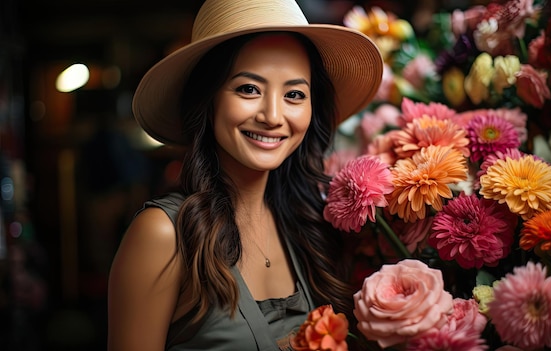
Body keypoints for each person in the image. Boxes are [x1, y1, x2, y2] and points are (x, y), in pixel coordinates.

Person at [107, 0, 383, 350]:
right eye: (248, 89)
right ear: (207, 101)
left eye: (294, 94)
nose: (272, 115)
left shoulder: (312, 224)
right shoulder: (162, 235)